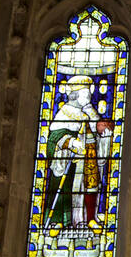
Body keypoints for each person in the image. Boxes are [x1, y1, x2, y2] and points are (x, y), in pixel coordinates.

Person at [44, 75, 111, 233]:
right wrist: (70, 143)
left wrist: (104, 135)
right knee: (67, 188)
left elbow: (96, 128)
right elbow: (54, 137)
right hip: (69, 160)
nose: (88, 97)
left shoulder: (89, 112)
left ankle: (90, 219)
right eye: (86, 94)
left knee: (91, 187)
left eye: (88, 94)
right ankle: (60, 221)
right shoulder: (64, 113)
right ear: (76, 95)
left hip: (88, 156)